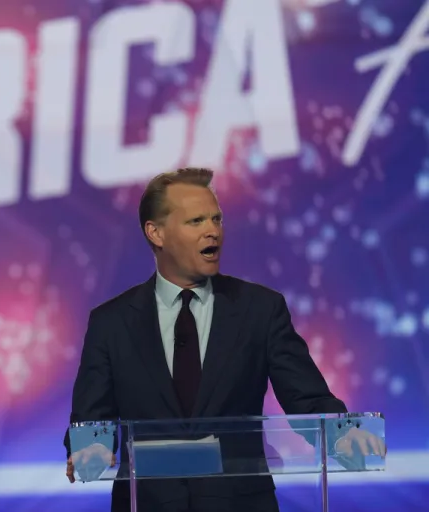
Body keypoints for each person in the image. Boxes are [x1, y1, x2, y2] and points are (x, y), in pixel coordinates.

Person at [64, 168, 385, 512]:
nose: (212, 231)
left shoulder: (260, 309)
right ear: (156, 233)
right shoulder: (111, 322)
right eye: (196, 221)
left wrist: (343, 432)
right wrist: (90, 448)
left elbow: (308, 398)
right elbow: (90, 417)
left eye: (216, 219)